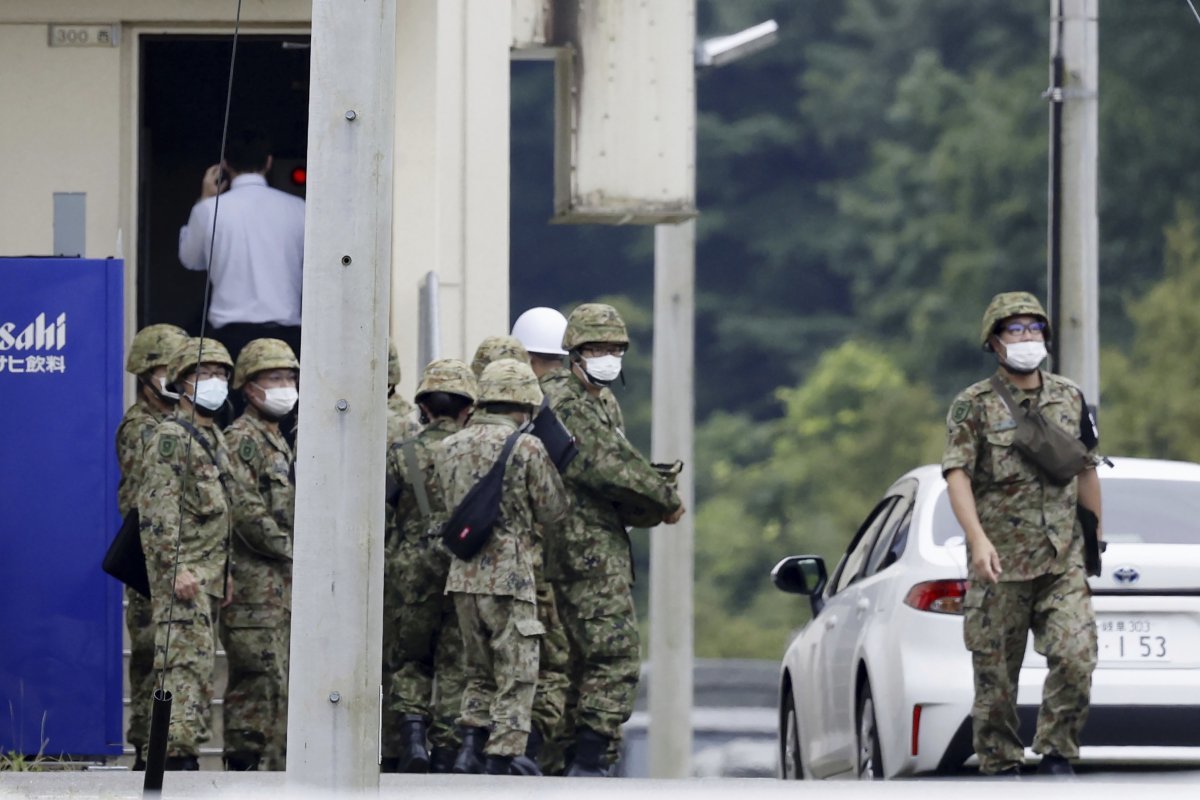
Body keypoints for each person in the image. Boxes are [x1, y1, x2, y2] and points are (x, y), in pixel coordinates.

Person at [942, 291, 1102, 778]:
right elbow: (957, 475)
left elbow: (1086, 470)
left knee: (1076, 657)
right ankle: (1001, 764)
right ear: (994, 341)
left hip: (1061, 559)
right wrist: (977, 541)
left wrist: (1094, 541)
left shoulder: (1069, 397)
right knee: (995, 682)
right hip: (1001, 564)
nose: (1027, 337)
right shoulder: (973, 405)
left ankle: (1058, 753)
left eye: (1035, 328)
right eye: (1015, 329)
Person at [543, 303, 686, 777]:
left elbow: (621, 461)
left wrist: (649, 492)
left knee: (580, 660)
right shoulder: (562, 398)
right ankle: (589, 755)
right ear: (574, 353)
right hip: (577, 547)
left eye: (615, 349)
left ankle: (578, 759)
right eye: (597, 349)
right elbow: (605, 464)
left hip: (598, 541)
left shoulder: (601, 401)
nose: (608, 357)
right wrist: (663, 496)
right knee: (614, 651)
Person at [436, 359, 570, 775]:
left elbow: (446, 508)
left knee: (478, 671)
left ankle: (468, 749)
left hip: (462, 576)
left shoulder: (449, 447)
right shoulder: (526, 447)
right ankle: (502, 758)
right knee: (517, 671)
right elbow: (552, 508)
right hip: (510, 577)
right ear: (524, 403)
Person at [137, 337, 236, 770]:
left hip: (208, 578)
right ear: (181, 383)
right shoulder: (171, 437)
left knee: (198, 672)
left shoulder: (213, 437)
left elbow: (218, 516)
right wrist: (174, 568)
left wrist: (225, 574)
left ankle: (182, 754)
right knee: (181, 671)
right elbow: (158, 508)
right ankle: (173, 760)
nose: (215, 381)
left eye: (221, 374)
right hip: (184, 576)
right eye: (204, 374)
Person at [382, 359, 477, 773]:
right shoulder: (474, 452)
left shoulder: (402, 455)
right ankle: (446, 750)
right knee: (455, 660)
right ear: (467, 410)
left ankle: (414, 738)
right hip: (461, 567)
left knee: (409, 659)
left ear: (422, 409)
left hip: (410, 570)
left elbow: (381, 509)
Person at [220, 339, 300, 771]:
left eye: (290, 377)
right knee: (258, 688)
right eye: (275, 378)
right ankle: (245, 775)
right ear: (249, 388)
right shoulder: (241, 440)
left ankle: (272, 774)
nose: (286, 386)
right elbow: (247, 514)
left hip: (281, 590)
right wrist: (298, 551)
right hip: (255, 591)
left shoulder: (277, 439)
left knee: (281, 690)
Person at [116, 323, 189, 770]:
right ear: (146, 373)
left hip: (173, 552)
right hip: (149, 555)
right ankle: (147, 748)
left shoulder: (177, 423)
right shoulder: (142, 427)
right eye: (168, 369)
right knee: (149, 653)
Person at [508, 307, 576, 774]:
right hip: (533, 563)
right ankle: (523, 751)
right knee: (545, 662)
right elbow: (556, 505)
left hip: (467, 565)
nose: (549, 374)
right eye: (543, 362)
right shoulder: (547, 423)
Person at [178, 126, 306, 364]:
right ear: (269, 162)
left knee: (233, 400)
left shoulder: (209, 209)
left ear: (225, 164)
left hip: (231, 336)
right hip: (286, 336)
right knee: (285, 399)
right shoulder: (299, 208)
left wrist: (206, 199)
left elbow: (191, 259)